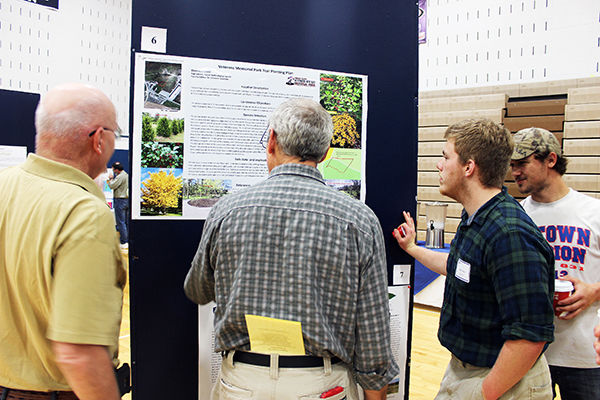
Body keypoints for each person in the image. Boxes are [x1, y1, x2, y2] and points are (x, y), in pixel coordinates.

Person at [184, 98, 398, 400]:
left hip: (242, 383)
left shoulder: (226, 210)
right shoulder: (359, 220)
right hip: (323, 386)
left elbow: (197, 290)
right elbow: (372, 328)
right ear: (325, 152)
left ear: (271, 140)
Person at [394, 119, 555, 399]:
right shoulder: (476, 218)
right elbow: (459, 268)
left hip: (503, 381)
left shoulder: (510, 234)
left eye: (446, 157)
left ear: (468, 167)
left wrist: (486, 392)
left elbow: (530, 334)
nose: (439, 166)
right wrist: (412, 248)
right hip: (467, 370)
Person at [0, 83, 126, 400]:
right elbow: (78, 352)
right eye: (116, 133)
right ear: (99, 139)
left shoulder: (4, 184)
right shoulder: (84, 212)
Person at [510, 126, 600, 399]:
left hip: (585, 357)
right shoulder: (516, 215)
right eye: (512, 165)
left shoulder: (593, 211)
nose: (515, 173)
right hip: (530, 354)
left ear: (550, 160)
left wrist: (595, 290)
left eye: (523, 163)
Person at [107, 161, 129, 249]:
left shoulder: (120, 177)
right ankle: (127, 240)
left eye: (113, 170)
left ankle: (124, 242)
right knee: (126, 222)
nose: (113, 171)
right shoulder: (126, 175)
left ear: (117, 170)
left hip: (120, 200)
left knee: (120, 222)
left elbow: (112, 186)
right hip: (127, 200)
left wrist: (110, 179)